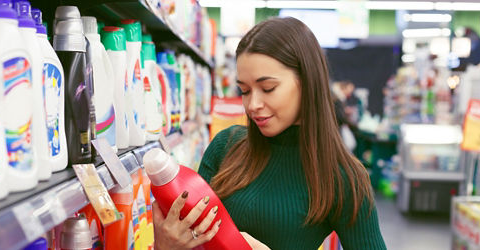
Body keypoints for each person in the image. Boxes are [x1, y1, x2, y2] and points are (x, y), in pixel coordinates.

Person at [152, 17, 386, 250]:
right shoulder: (225, 146)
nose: (253, 104)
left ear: (307, 81)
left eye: (268, 89)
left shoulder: (344, 176)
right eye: (244, 90)